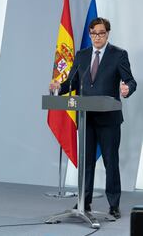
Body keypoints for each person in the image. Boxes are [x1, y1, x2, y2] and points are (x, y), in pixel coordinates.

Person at [49, 17, 137, 219]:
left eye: (101, 33)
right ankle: (84, 201)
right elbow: (71, 82)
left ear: (107, 33)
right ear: (90, 35)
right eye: (94, 33)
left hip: (109, 119)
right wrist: (58, 88)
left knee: (110, 162)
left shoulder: (119, 55)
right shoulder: (81, 55)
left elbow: (130, 81)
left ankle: (113, 204)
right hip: (86, 117)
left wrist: (126, 89)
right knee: (85, 162)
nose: (97, 37)